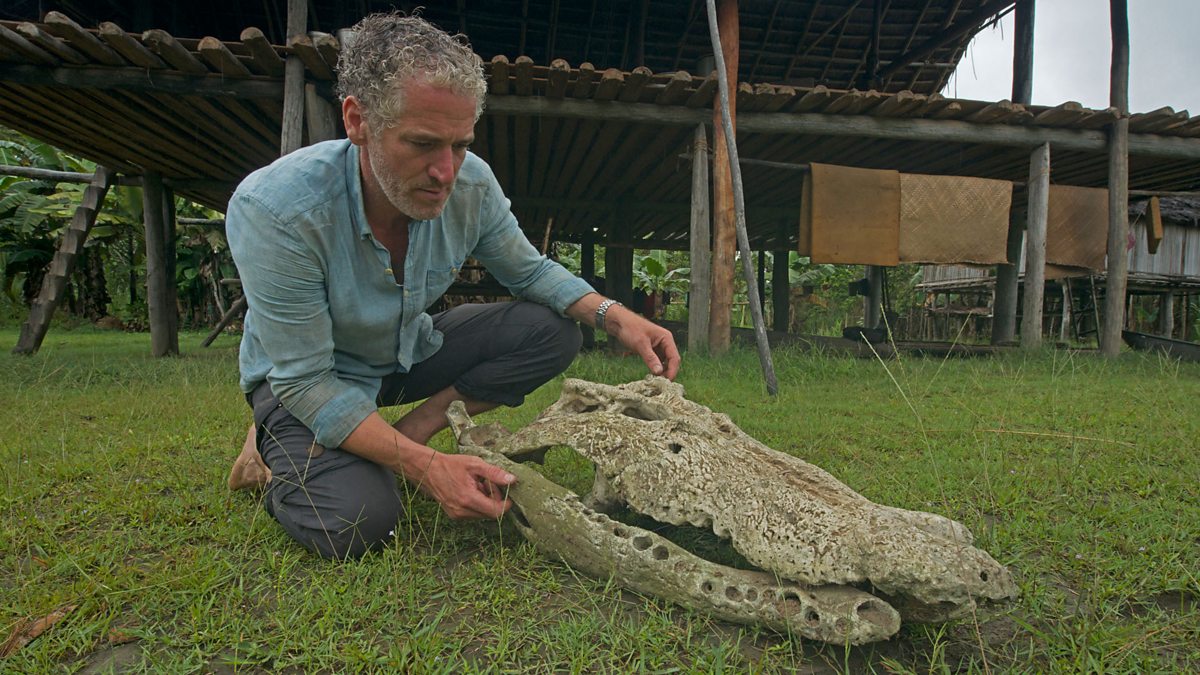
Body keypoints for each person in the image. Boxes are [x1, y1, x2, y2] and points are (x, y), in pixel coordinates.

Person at [225, 12, 680, 559]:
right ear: (357, 120)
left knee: (552, 331)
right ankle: (268, 455)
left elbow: (530, 273)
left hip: (399, 351)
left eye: (460, 145)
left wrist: (615, 315)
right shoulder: (275, 209)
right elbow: (305, 381)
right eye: (422, 144)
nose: (446, 171)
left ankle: (408, 433)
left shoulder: (472, 184)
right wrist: (430, 471)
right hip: (303, 381)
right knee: (357, 523)